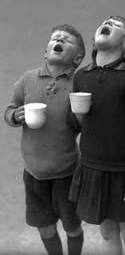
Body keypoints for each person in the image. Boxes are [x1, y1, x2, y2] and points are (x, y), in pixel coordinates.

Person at [4, 24, 86, 255]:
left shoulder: (78, 85)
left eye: (67, 40)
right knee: (45, 228)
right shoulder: (27, 80)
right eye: (55, 38)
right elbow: (10, 109)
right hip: (34, 173)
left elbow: (80, 125)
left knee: (72, 226)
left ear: (77, 58)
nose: (59, 39)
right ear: (46, 51)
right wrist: (14, 115)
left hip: (66, 173)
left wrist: (80, 114)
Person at [69, 16, 125, 255]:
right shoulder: (82, 76)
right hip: (91, 167)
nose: (109, 24)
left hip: (123, 171)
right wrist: (78, 115)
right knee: (107, 233)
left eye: (117, 25)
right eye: (106, 22)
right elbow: (77, 125)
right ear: (94, 39)